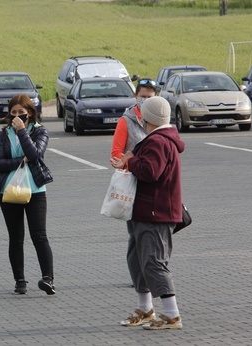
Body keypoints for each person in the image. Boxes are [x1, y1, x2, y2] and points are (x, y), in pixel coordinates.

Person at [110, 96, 185, 330]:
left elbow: (151, 171)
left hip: (155, 212)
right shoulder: (156, 139)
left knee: (153, 262)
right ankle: (145, 309)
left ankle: (172, 315)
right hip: (143, 211)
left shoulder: (158, 142)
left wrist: (131, 161)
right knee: (137, 260)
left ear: (148, 118)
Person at [0, 94, 55, 296]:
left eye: (21, 112)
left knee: (39, 235)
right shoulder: (3, 134)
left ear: (30, 113)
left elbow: (36, 154)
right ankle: (19, 280)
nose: (17, 116)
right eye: (14, 113)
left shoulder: (40, 131)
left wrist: (21, 132)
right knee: (16, 237)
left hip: (35, 191)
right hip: (9, 191)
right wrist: (20, 160)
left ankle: (48, 279)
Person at [110, 78, 157, 163]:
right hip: (133, 172)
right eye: (143, 97)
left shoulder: (160, 119)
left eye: (149, 97)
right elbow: (116, 154)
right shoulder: (125, 121)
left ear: (156, 97)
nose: (145, 100)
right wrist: (132, 165)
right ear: (136, 95)